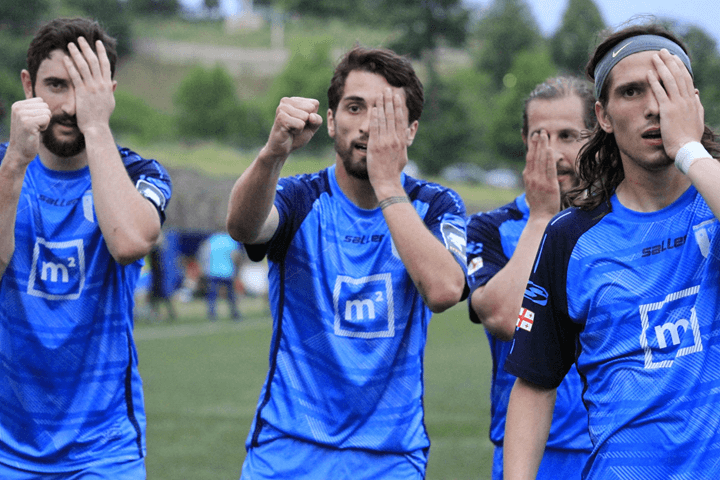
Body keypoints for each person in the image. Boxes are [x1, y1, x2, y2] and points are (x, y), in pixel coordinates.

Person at [225, 46, 468, 479]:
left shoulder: (435, 205)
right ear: (332, 120)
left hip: (390, 457)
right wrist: (273, 153)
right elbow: (243, 226)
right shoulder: (301, 198)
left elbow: (445, 290)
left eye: (387, 112)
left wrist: (388, 184)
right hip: (287, 450)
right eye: (355, 108)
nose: (368, 125)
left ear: (411, 131)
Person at [503, 23, 720, 480]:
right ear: (602, 116)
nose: (653, 107)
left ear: (691, 102)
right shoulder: (572, 237)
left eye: (667, 88)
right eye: (632, 92)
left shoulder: (711, 204)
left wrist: (688, 147)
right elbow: (534, 383)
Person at [0, 18, 172, 478]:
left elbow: (129, 242)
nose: (70, 105)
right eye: (56, 85)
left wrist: (96, 126)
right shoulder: (3, 168)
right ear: (28, 86)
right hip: (6, 448)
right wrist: (14, 164)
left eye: (85, 88)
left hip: (104, 450)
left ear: (108, 93)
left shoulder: (140, 175)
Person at [466, 76, 595, 479]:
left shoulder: (620, 221)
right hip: (527, 451)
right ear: (524, 140)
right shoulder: (492, 226)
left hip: (610, 445)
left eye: (568, 136)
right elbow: (505, 318)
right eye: (540, 136)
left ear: (596, 137)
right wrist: (542, 218)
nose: (553, 152)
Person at [199, 231, 243, 321]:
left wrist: (204, 268)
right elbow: (236, 256)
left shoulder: (211, 239)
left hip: (213, 271)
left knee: (212, 295)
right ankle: (234, 314)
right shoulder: (231, 240)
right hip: (228, 271)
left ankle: (212, 314)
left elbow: (203, 255)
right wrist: (237, 271)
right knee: (231, 295)